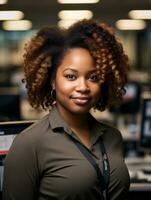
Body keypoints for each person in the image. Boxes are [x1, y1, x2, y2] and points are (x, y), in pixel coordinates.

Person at [2, 19, 130, 200]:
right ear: (52, 80)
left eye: (93, 77)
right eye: (71, 76)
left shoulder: (113, 137)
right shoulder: (29, 144)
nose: (83, 86)